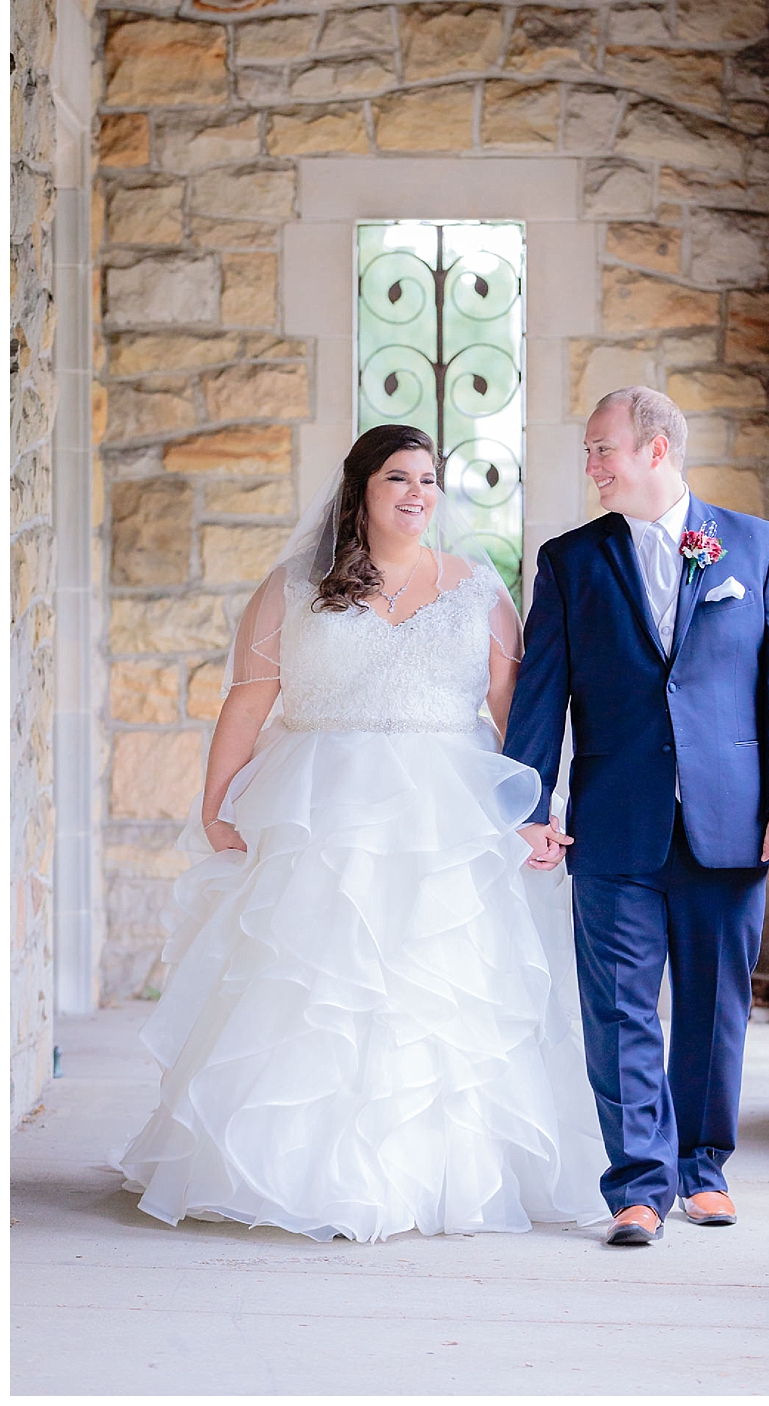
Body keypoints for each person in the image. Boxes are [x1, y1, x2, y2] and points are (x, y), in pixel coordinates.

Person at [114, 424, 608, 1241]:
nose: (417, 494)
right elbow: (247, 698)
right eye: (397, 478)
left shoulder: (477, 587)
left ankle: (435, 1177)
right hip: (321, 811)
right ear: (360, 490)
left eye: (428, 479)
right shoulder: (291, 587)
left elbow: (511, 711)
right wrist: (216, 802)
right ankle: (296, 1172)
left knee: (436, 985)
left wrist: (530, 811)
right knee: (316, 988)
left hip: (445, 815)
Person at [504, 386, 769, 1247]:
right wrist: (530, 806)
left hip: (731, 823)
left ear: (656, 450)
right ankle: (637, 1187)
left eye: (604, 448)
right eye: (588, 451)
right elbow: (542, 696)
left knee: (717, 1009)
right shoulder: (570, 562)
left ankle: (702, 1169)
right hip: (613, 825)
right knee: (618, 1010)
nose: (592, 465)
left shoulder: (753, 548)